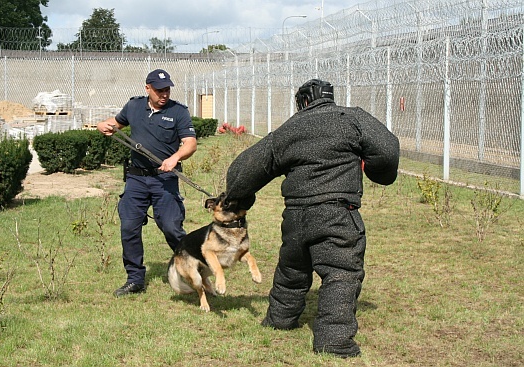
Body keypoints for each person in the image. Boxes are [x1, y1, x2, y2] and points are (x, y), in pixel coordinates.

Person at [225, 79, 400, 358]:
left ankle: (279, 320)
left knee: (292, 270)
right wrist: (380, 174)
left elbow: (244, 170)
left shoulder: (288, 129)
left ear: (302, 102)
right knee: (341, 273)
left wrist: (236, 197)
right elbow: (387, 148)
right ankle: (333, 341)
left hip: (294, 216)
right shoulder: (351, 118)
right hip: (337, 213)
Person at [97, 69, 197, 297]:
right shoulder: (133, 107)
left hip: (165, 180)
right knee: (129, 227)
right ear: (147, 89)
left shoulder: (178, 111)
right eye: (159, 90)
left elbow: (190, 143)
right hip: (136, 179)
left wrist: (175, 158)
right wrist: (102, 125)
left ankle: (192, 269)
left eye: (167, 90)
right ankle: (135, 280)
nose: (164, 94)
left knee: (172, 227)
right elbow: (114, 123)